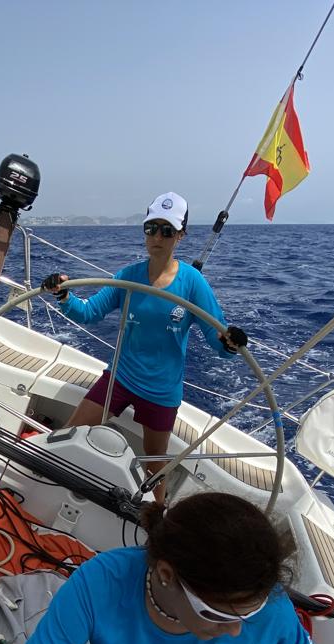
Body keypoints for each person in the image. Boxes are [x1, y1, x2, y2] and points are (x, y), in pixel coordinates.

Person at [0, 492, 334, 644]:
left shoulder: (271, 608)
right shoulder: (101, 582)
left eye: (247, 614)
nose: (236, 630)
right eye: (218, 615)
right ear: (165, 575)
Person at [41, 192, 248, 502]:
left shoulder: (192, 283)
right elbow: (90, 312)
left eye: (167, 230)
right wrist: (64, 296)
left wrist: (230, 343)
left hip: (161, 391)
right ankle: (44, 483)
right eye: (151, 228)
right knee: (68, 432)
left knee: (154, 464)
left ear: (181, 235)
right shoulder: (129, 277)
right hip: (121, 378)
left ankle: (156, 520)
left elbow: (215, 335)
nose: (157, 237)